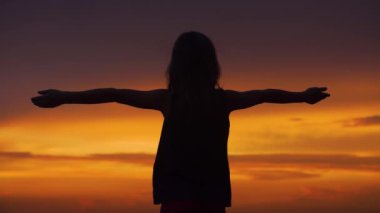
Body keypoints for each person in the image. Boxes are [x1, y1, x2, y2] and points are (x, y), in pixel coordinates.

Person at [31, 31, 330, 213]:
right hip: (212, 198)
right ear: (212, 65)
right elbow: (266, 94)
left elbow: (113, 94)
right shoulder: (223, 101)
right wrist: (303, 97)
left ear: (175, 65)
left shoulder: (168, 100)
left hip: (177, 199)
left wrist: (64, 96)